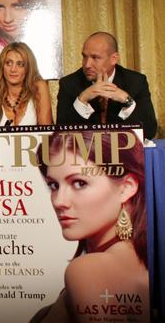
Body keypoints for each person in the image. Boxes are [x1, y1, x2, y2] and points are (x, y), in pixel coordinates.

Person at [33, 129, 149, 322]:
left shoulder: (90, 270)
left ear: (126, 187)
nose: (59, 201)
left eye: (79, 183)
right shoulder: (140, 260)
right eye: (54, 186)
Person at [56, 32, 157, 139]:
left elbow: (149, 132)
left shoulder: (135, 82)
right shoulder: (69, 84)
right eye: (85, 57)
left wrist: (127, 101)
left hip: (124, 151)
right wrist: (82, 100)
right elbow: (60, 135)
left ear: (113, 58)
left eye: (95, 57)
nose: (87, 64)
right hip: (85, 152)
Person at [0, 42, 52, 137]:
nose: (13, 69)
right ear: (2, 66)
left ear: (28, 68)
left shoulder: (38, 87)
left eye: (20, 64)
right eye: (8, 63)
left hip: (32, 150)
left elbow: (47, 132)